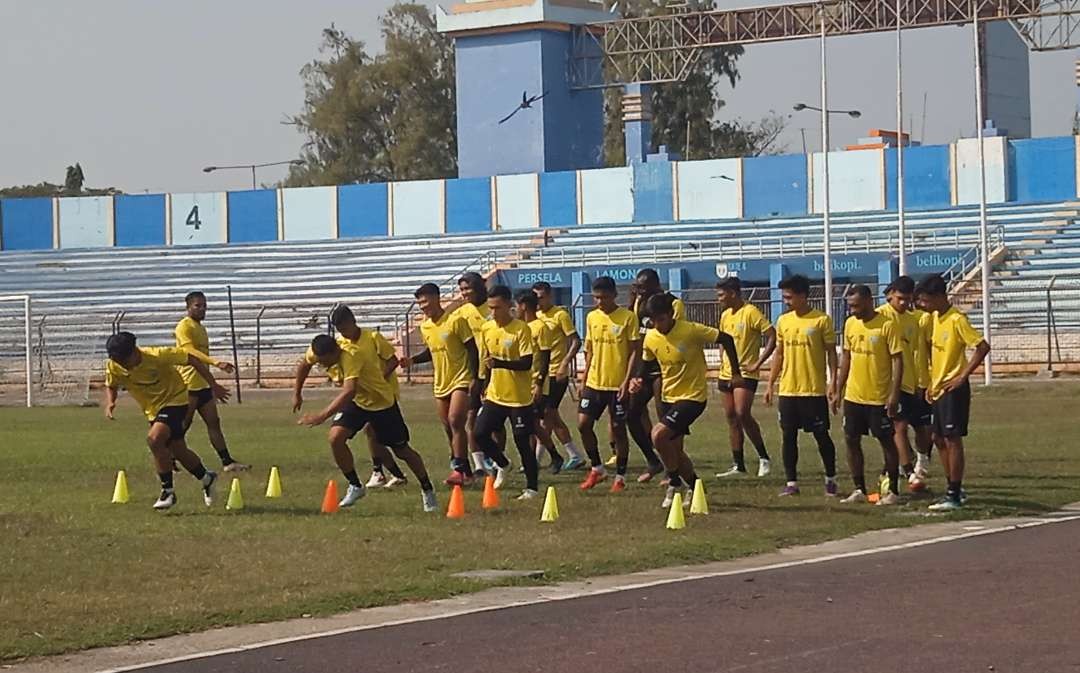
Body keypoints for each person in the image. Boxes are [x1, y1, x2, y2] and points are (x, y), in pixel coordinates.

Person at [296, 330, 438, 512]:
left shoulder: (351, 356)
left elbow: (349, 391)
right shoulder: (319, 351)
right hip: (358, 404)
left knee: (402, 451)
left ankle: (427, 489)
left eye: (323, 361)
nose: (321, 365)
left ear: (334, 353)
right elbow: (304, 364)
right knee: (335, 438)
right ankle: (355, 485)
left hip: (381, 404)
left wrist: (321, 416)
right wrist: (297, 393)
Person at [631, 293, 743, 508]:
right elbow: (646, 364)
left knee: (657, 435)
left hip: (693, 397)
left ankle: (673, 482)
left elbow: (726, 339)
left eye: (661, 319)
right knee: (675, 450)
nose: (658, 325)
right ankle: (694, 486)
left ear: (671, 315)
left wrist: (735, 372)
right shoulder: (652, 337)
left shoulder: (690, 330)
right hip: (668, 397)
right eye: (653, 321)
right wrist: (637, 379)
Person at [103, 331, 232, 510]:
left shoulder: (158, 355)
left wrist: (214, 385)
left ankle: (167, 492)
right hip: (152, 410)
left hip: (176, 400)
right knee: (178, 451)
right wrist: (111, 402)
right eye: (118, 362)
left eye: (124, 361)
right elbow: (111, 384)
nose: (123, 366)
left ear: (134, 351)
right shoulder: (114, 365)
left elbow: (192, 359)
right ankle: (206, 478)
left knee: (154, 440)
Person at [293, 306, 409, 488]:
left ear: (352, 321)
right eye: (339, 330)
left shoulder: (372, 338)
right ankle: (381, 474)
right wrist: (297, 393)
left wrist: (377, 379)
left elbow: (393, 361)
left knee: (376, 435)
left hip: (382, 394)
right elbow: (305, 363)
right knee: (363, 434)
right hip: (359, 398)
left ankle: (386, 473)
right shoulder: (337, 346)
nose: (343, 333)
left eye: (344, 328)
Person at [914, 274, 991, 512]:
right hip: (937, 389)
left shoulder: (957, 319)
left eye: (926, 301)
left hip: (953, 390)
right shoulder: (935, 318)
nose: (923, 306)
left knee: (951, 439)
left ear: (939, 296)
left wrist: (962, 376)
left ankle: (954, 494)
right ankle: (954, 488)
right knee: (937, 438)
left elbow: (982, 346)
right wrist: (929, 384)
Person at [764, 274, 840, 497]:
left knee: (821, 436)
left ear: (803, 296)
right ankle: (791, 483)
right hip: (789, 390)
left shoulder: (821, 320)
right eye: (784, 297)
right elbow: (779, 354)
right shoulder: (784, 321)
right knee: (788, 436)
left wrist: (832, 382)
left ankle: (831, 479)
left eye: (789, 296)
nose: (786, 301)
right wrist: (770, 384)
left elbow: (831, 355)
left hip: (813, 390)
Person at [401, 283, 481, 487]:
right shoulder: (425, 326)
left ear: (437, 298)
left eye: (425, 301)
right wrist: (412, 360)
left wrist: (474, 378)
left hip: (460, 378)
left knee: (455, 420)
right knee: (448, 426)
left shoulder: (456, 321)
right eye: (419, 303)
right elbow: (431, 350)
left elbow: (472, 349)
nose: (422, 307)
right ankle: (465, 469)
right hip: (441, 382)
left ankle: (459, 470)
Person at [833, 285, 903, 506]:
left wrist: (894, 394)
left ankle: (892, 489)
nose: (852, 310)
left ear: (869, 301)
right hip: (854, 396)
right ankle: (859, 489)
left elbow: (898, 361)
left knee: (886, 441)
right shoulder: (850, 324)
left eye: (856, 306)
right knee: (851, 440)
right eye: (850, 306)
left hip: (878, 397)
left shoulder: (887, 325)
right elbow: (846, 358)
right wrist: (837, 388)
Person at [473, 285, 541, 499]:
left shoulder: (521, 329)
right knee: (479, 434)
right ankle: (503, 463)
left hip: (519, 398)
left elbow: (526, 362)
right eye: (490, 308)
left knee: (522, 441)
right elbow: (485, 362)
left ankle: (532, 487)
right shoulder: (487, 329)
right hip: (495, 395)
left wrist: (500, 363)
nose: (493, 312)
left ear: (509, 306)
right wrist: (482, 384)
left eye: (498, 307)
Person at [174, 291, 250, 472]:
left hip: (203, 384)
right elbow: (191, 352)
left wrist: (212, 382)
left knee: (213, 422)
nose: (202, 309)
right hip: (189, 384)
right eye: (197, 306)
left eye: (204, 305)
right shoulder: (184, 327)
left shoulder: (200, 327)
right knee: (184, 424)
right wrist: (216, 362)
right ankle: (168, 456)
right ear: (188, 307)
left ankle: (227, 462)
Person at [578, 276, 640, 492]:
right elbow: (590, 350)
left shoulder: (627, 318)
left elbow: (634, 352)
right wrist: (584, 378)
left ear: (614, 295)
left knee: (617, 428)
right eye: (596, 298)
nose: (599, 302)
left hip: (617, 385)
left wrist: (627, 381)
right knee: (583, 424)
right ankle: (597, 468)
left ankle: (620, 476)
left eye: (603, 297)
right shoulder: (592, 317)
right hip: (595, 382)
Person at [619, 269, 679, 481]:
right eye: (638, 286)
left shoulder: (673, 303)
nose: (640, 290)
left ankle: (673, 470)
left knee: (665, 419)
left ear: (656, 284)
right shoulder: (638, 302)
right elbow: (632, 326)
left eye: (643, 286)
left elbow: (676, 332)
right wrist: (631, 300)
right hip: (644, 366)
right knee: (632, 414)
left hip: (664, 367)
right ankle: (653, 461)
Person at [876, 276, 934, 491]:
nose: (904, 304)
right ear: (891, 295)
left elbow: (918, 353)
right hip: (890, 384)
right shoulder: (881, 317)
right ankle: (908, 471)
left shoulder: (913, 320)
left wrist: (923, 381)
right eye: (900, 299)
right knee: (898, 427)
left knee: (923, 429)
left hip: (912, 383)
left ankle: (920, 461)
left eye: (908, 300)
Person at [714, 277, 775, 478]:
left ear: (733, 293)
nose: (719, 299)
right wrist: (723, 358)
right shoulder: (725, 316)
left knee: (742, 413)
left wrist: (758, 363)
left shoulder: (751, 312)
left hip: (746, 373)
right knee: (731, 417)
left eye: (722, 295)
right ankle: (738, 464)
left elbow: (772, 335)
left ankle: (764, 457)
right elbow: (722, 339)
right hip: (726, 373)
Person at [532, 281, 586, 469]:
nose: (538, 301)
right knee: (549, 415)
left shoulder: (560, 314)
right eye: (535, 297)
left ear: (549, 296)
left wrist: (564, 363)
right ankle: (573, 454)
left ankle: (537, 459)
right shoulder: (536, 316)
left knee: (547, 414)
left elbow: (575, 341)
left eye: (541, 297)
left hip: (557, 372)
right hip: (542, 373)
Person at [455, 272, 499, 477]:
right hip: (476, 373)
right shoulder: (462, 312)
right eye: (462, 289)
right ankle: (480, 464)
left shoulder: (492, 308)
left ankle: (498, 460)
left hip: (498, 370)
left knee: (496, 422)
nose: (464, 293)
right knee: (471, 417)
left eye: (468, 288)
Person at [516, 291, 565, 473]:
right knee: (532, 424)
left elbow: (544, 357)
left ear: (523, 306)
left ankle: (551, 456)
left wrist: (538, 383)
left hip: (537, 384)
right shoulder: (522, 327)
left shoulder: (540, 327)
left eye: (517, 306)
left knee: (532, 423)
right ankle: (543, 458)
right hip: (523, 383)